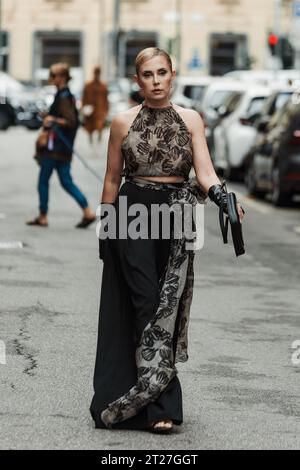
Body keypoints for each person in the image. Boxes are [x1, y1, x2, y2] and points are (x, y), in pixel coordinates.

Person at [90, 47, 245, 433]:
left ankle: (147, 395)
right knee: (146, 303)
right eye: (147, 74)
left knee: (167, 306)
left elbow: (205, 173)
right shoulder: (122, 121)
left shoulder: (191, 120)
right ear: (137, 79)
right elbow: (111, 179)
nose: (156, 81)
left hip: (177, 216)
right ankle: (159, 403)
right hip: (133, 214)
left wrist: (225, 199)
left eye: (162, 73)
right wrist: (106, 232)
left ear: (172, 75)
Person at [26, 63, 96, 229]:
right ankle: (87, 212)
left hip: (56, 147)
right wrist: (50, 116)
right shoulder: (64, 95)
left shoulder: (64, 96)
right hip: (62, 148)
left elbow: (71, 122)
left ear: (63, 78)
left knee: (43, 181)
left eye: (54, 76)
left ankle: (43, 216)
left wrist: (52, 119)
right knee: (66, 182)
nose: (51, 79)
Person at [81, 66, 109, 144]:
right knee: (90, 127)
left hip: (100, 110)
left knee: (99, 125)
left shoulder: (103, 86)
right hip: (90, 110)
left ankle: (99, 139)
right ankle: (91, 140)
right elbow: (84, 98)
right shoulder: (88, 85)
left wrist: (106, 110)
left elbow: (106, 99)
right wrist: (83, 108)